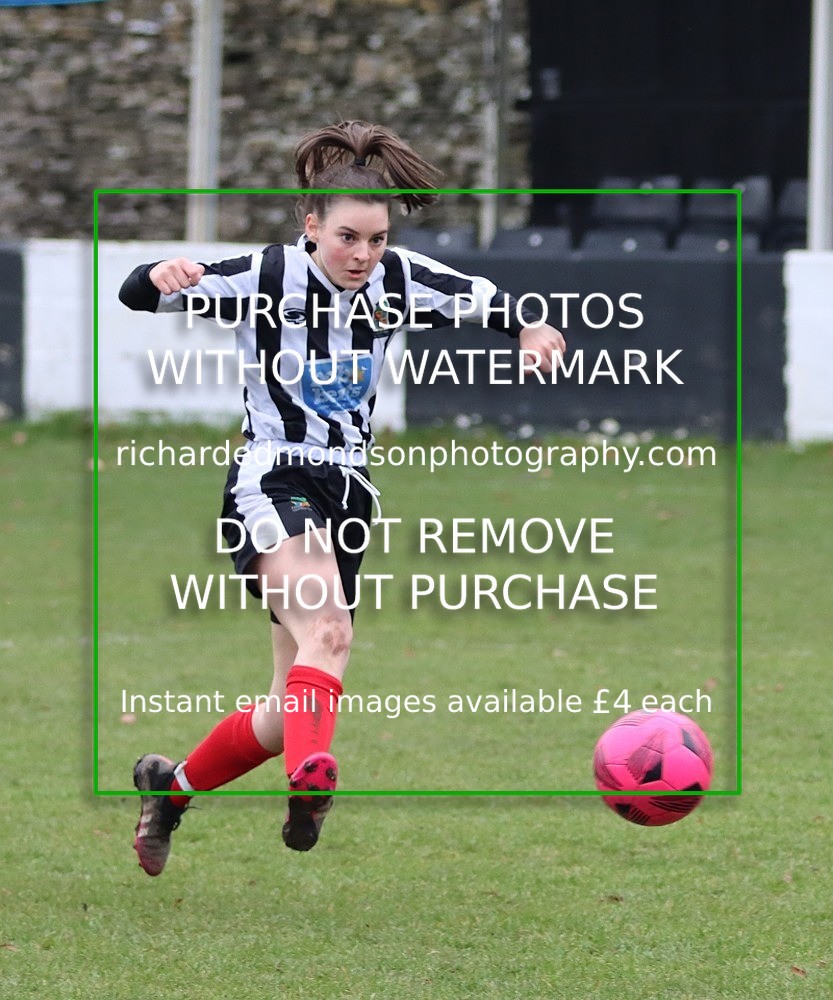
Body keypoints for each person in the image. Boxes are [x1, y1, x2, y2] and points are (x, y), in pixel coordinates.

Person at [119, 120, 566, 876]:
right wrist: (163, 272)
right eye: (348, 238)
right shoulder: (265, 276)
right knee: (328, 630)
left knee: (276, 711)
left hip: (349, 494)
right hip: (274, 475)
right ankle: (311, 778)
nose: (363, 256)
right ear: (311, 226)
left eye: (378, 240)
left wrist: (531, 327)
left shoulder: (397, 279)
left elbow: (488, 302)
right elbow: (139, 294)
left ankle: (171, 792)